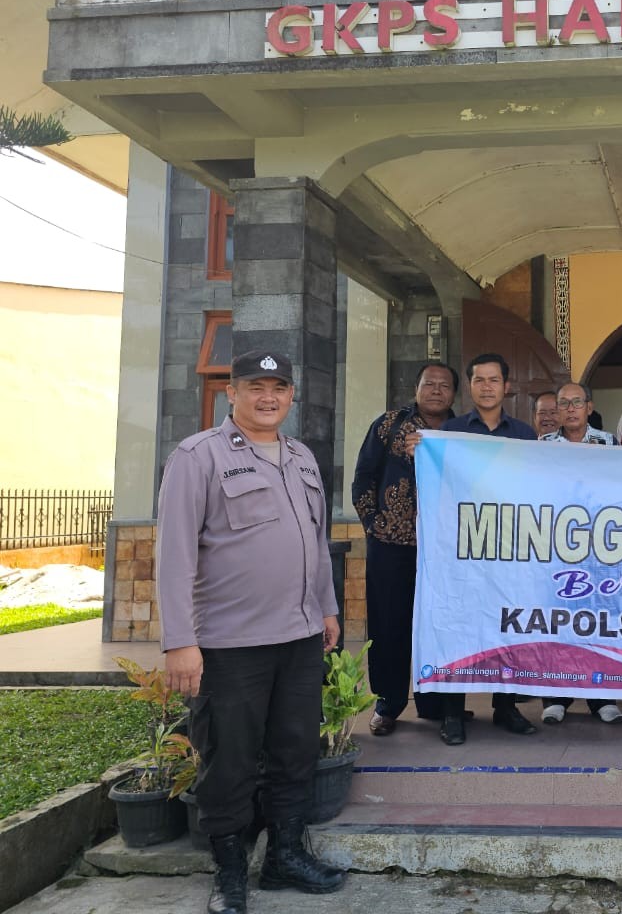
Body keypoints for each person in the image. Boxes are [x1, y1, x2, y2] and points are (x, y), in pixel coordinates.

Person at [157, 350, 345, 914]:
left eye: (280, 388)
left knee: (294, 752)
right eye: (256, 387)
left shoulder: (302, 458)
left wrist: (328, 608)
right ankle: (230, 870)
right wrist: (179, 641)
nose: (270, 398)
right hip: (230, 643)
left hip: (300, 635)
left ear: (291, 395)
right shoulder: (198, 457)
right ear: (231, 393)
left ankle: (285, 855)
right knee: (230, 759)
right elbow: (173, 556)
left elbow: (315, 543)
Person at [438, 353, 539, 745]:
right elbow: (441, 485)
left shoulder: (524, 435)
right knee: (458, 627)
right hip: (463, 548)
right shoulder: (450, 432)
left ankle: (505, 705)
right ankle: (452, 712)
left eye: (493, 380)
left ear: (506, 386)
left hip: (511, 549)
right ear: (470, 386)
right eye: (479, 380)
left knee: (506, 627)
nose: (486, 386)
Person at [353, 361, 457, 737]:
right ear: (416, 389)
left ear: (454, 395)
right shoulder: (389, 425)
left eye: (444, 386)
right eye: (429, 384)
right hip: (391, 545)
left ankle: (435, 703)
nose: (436, 390)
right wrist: (373, 525)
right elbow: (364, 475)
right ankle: (388, 703)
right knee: (389, 623)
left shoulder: (461, 433)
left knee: (441, 625)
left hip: (447, 551)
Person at [538, 381, 622, 725]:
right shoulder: (542, 445)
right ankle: (556, 697)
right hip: (557, 547)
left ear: (589, 407)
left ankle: (601, 698)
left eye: (577, 402)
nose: (571, 408)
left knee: (598, 623)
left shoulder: (608, 443)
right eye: (564, 403)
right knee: (558, 622)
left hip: (599, 547)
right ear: (556, 410)